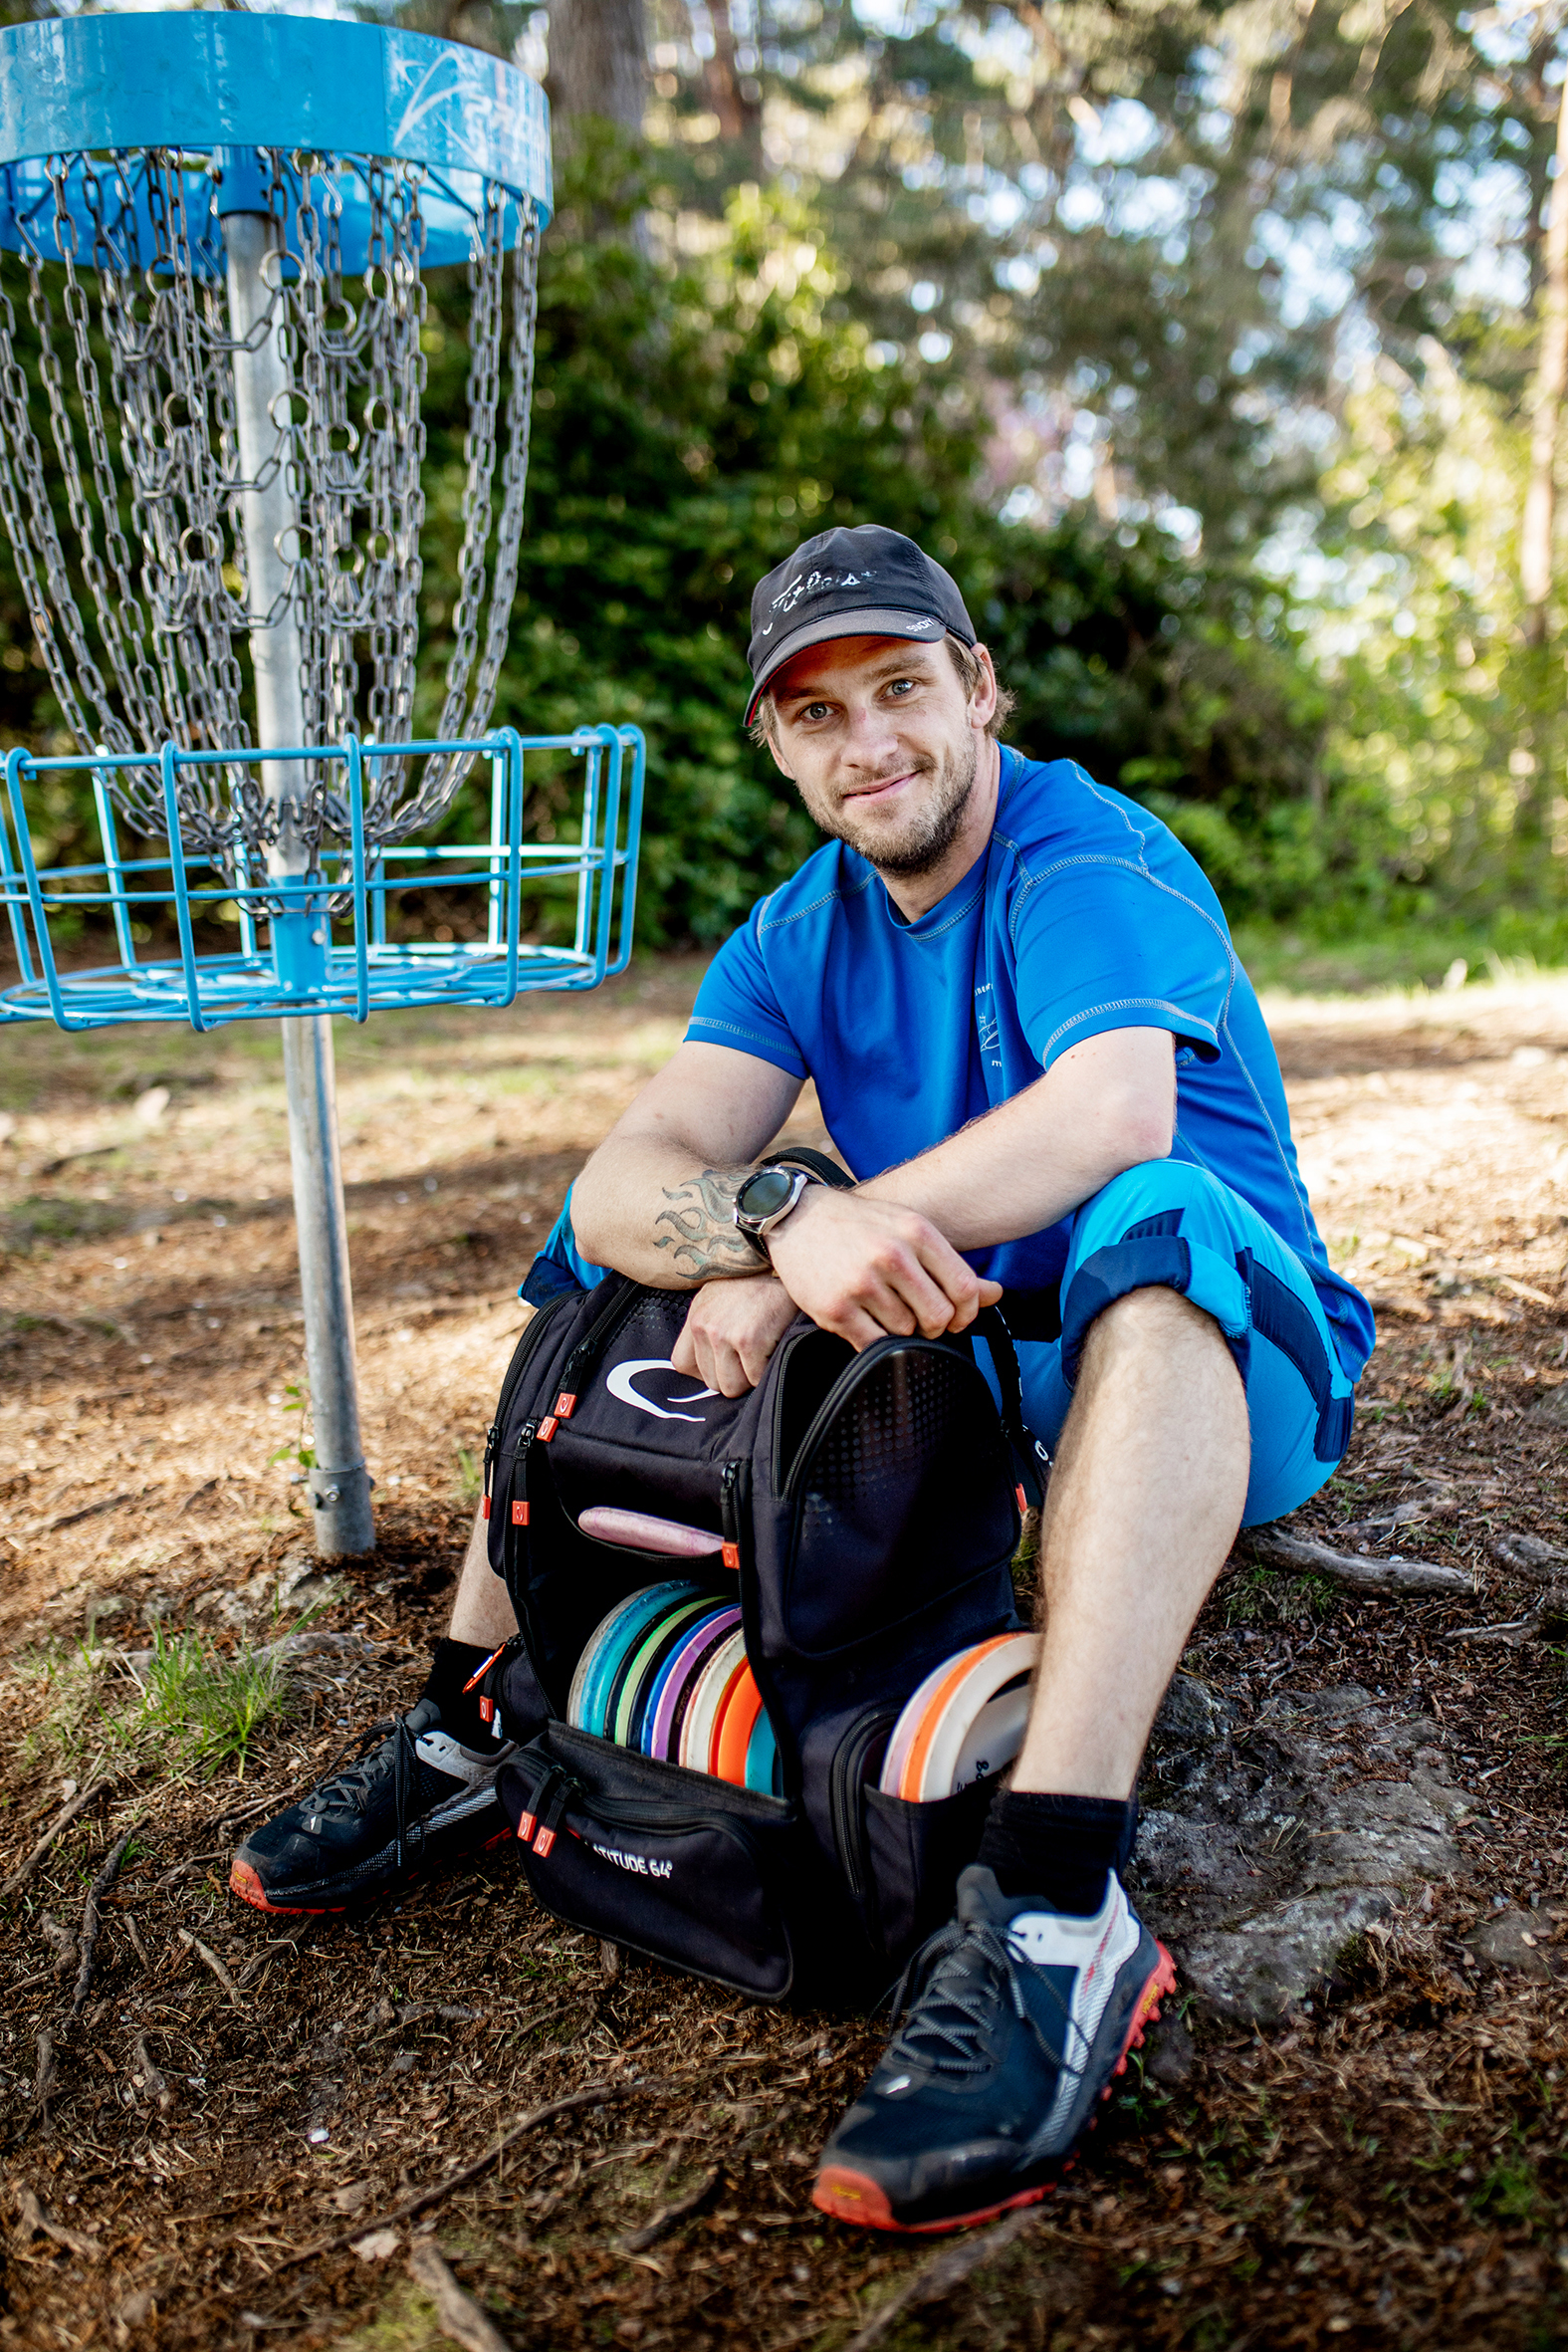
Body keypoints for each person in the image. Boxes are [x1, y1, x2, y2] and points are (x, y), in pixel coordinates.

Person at [232, 525, 1371, 2234]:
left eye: (903, 688)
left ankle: (1060, 1899)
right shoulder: (798, 929)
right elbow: (631, 1176)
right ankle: (469, 1720)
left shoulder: (1087, 858)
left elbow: (1112, 1114)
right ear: (777, 744)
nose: (872, 743)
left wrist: (826, 1231)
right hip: (978, 1371)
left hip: (1213, 1364)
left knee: (1153, 1208)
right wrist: (773, 1214)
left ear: (977, 689)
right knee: (628, 1228)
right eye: (819, 713)